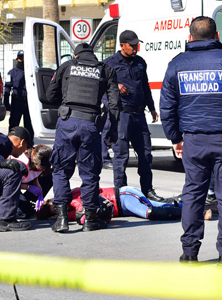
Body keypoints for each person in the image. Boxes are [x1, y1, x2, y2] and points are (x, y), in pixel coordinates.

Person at [160, 16, 222, 265]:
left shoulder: (177, 64)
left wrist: (174, 137)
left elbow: (167, 106)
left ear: (190, 37)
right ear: (217, 36)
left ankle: (190, 252)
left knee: (193, 193)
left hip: (193, 138)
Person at [46, 43, 121, 232]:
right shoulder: (106, 69)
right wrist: (113, 130)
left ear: (76, 55)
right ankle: (90, 220)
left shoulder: (67, 66)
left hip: (67, 123)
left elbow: (50, 94)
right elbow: (114, 103)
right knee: (90, 173)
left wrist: (65, 103)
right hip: (90, 125)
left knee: (61, 171)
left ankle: (62, 220)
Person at [104, 30, 164, 204]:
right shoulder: (109, 64)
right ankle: (121, 194)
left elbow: (145, 86)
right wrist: (116, 86)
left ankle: (148, 190)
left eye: (137, 44)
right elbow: (102, 91)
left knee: (145, 154)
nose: (135, 48)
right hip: (122, 115)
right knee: (121, 156)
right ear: (122, 45)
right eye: (132, 45)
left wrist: (152, 108)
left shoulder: (140, 62)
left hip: (139, 114)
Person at [11, 144, 53, 220]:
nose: (43, 170)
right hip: (10, 186)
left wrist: (37, 184)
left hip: (22, 180)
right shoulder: (22, 164)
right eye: (42, 167)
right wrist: (28, 187)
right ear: (35, 162)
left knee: (49, 177)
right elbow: (9, 183)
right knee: (25, 213)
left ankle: (30, 202)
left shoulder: (40, 163)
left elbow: (35, 173)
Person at [4, 50, 34, 140]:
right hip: (17, 102)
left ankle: (28, 145)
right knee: (14, 125)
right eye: (20, 58)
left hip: (29, 103)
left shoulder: (31, 72)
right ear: (17, 59)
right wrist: (6, 102)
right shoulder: (12, 72)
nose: (22, 60)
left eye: (24, 58)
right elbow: (7, 88)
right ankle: (10, 144)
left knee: (29, 125)